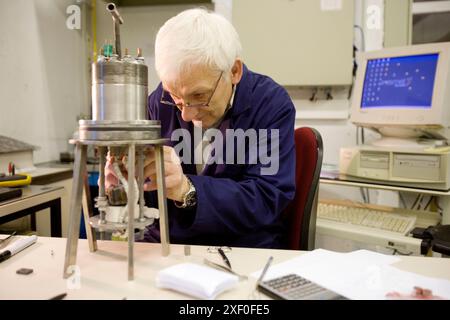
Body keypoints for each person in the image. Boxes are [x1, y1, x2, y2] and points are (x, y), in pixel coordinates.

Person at [105, 8, 296, 248]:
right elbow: (150, 199)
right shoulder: (158, 102)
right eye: (175, 96)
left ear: (234, 71)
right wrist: (126, 183)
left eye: (199, 95)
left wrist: (187, 190)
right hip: (169, 243)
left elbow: (268, 196)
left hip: (241, 247)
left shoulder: (270, 104)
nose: (186, 113)